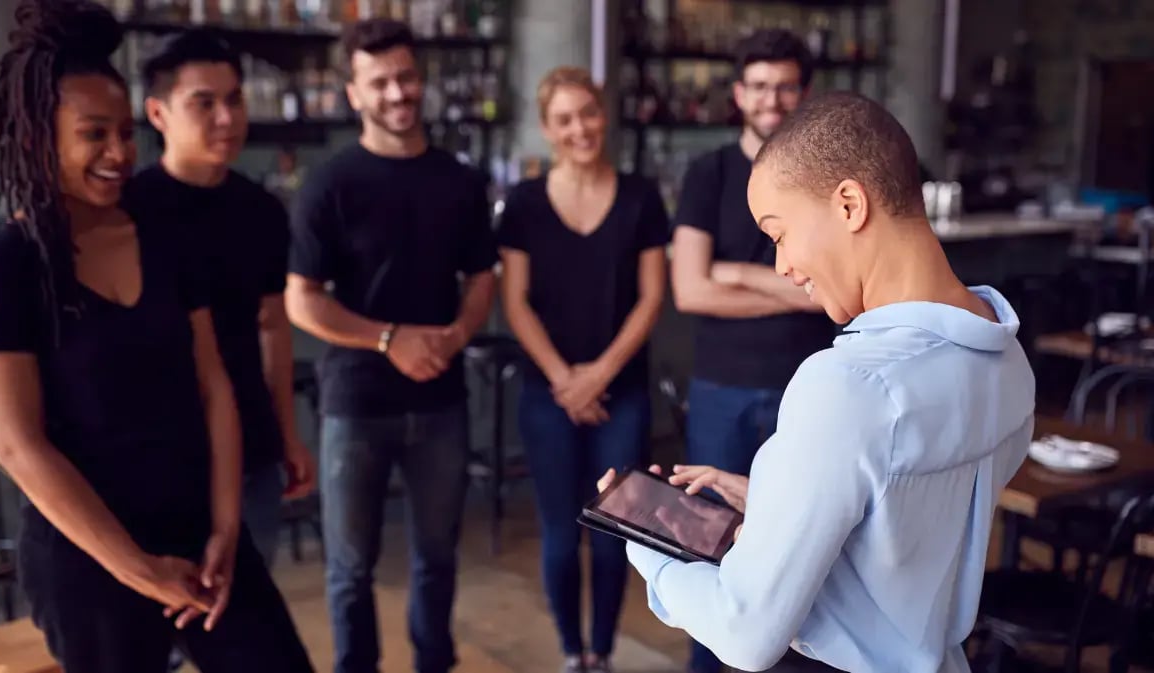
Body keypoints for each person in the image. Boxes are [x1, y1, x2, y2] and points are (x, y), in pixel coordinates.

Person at [600, 91, 1034, 673]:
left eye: (778, 233)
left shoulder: (847, 385)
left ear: (849, 204)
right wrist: (782, 505)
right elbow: (910, 532)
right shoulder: (1006, 358)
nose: (780, 265)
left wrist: (650, 549)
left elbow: (746, 631)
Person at [0, 2, 314, 672]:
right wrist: (138, 569)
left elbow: (214, 388)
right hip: (88, 554)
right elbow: (17, 442)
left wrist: (222, 528)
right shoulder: (6, 263)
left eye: (126, 133)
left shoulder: (164, 237)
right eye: (94, 134)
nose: (120, 154)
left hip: (199, 528)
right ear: (40, 136)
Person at [284, 17, 497, 673]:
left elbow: (482, 275)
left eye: (405, 76)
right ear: (354, 94)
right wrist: (389, 339)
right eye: (379, 82)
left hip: (440, 400)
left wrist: (458, 334)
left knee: (437, 557)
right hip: (355, 401)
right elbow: (303, 298)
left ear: (421, 78)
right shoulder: (330, 182)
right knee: (350, 566)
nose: (397, 92)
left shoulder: (459, 179)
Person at [669, 28, 832, 673]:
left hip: (811, 387)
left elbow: (829, 297)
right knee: (708, 542)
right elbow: (689, 289)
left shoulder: (826, 178)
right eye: (759, 86)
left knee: (803, 543)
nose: (772, 99)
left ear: (805, 93)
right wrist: (792, 289)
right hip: (722, 388)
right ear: (738, 93)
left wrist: (733, 273)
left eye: (785, 85)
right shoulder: (708, 174)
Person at [497, 66, 669, 673]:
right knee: (560, 532)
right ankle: (573, 654)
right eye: (565, 119)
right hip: (549, 394)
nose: (580, 128)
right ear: (547, 129)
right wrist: (566, 382)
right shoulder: (522, 203)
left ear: (605, 115)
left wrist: (597, 376)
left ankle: (603, 652)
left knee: (613, 530)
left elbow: (652, 299)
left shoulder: (642, 196)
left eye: (588, 113)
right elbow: (514, 302)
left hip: (619, 391)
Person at [124, 29, 317, 569]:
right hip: (157, 449)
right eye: (203, 103)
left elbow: (273, 327)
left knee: (247, 614)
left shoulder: (261, 211)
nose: (227, 118)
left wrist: (288, 434)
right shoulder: (130, 210)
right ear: (158, 113)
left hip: (250, 444)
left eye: (233, 99)